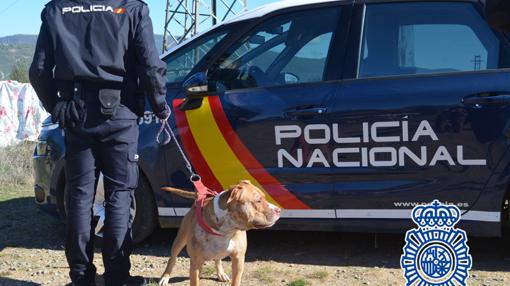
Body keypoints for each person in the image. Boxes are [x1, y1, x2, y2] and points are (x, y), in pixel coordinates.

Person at [29, 1, 169, 285]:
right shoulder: (131, 8)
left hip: (76, 113)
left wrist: (56, 106)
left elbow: (39, 71)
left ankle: (81, 278)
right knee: (119, 195)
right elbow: (150, 64)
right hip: (121, 113)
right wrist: (160, 106)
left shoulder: (58, 9)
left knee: (80, 197)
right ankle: (117, 277)